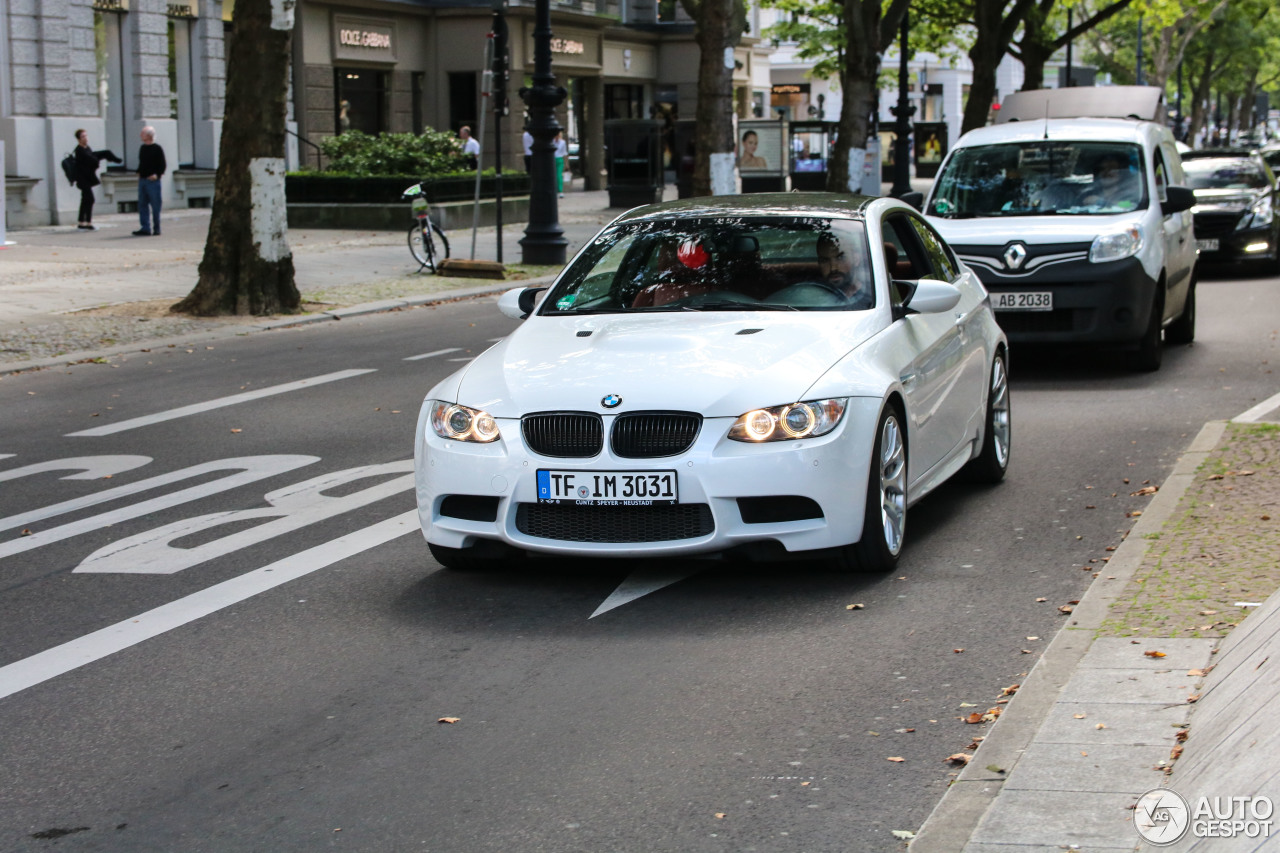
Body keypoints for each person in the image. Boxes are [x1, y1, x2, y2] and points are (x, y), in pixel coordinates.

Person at [71, 128, 121, 231]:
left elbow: (92, 158)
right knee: (89, 199)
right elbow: (91, 160)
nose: (86, 138)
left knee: (85, 199)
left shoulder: (87, 148)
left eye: (86, 135)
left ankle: (83, 222)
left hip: (87, 179)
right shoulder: (79, 150)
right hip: (82, 179)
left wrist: (102, 156)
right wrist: (97, 160)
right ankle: (87, 222)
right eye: (83, 136)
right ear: (79, 139)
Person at [815, 230, 872, 308]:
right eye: (825, 260)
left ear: (856, 259)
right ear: (819, 264)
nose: (833, 268)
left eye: (841, 258)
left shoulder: (873, 299)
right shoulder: (810, 300)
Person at [133, 126, 166, 236]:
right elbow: (142, 163)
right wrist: (138, 171)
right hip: (143, 179)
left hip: (153, 181)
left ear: (148, 136)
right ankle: (145, 228)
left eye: (142, 133)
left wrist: (157, 175)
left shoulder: (157, 148)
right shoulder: (142, 148)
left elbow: (162, 164)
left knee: (155, 205)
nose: (140, 135)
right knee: (142, 204)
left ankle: (157, 228)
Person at [554, 131, 568, 197]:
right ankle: (554, 190)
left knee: (559, 176)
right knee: (553, 176)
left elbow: (564, 153)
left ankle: (560, 191)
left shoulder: (562, 142)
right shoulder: (551, 141)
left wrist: (566, 163)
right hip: (552, 160)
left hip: (559, 159)